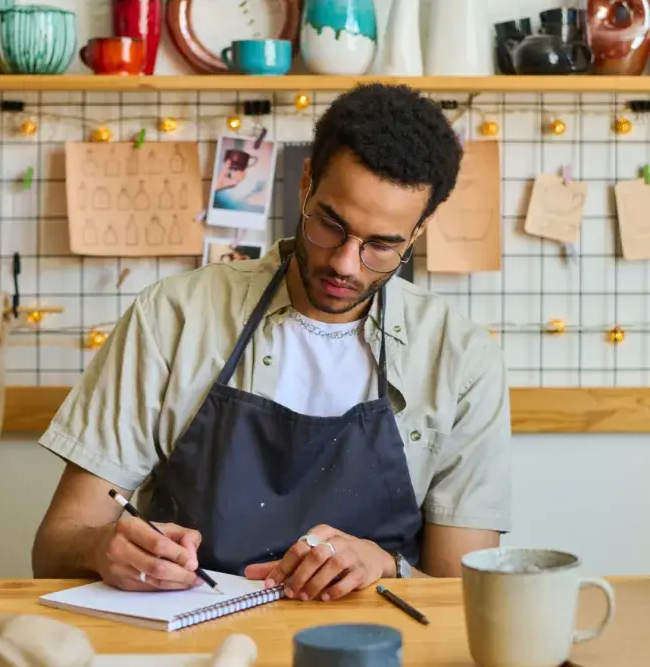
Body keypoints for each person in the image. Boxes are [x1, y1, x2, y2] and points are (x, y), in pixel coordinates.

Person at [31, 83, 511, 603]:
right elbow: (54, 547)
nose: (346, 264)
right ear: (306, 185)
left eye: (381, 245)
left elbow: (460, 596)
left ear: (416, 233)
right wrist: (101, 548)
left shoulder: (460, 359)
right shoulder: (172, 318)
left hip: (374, 647)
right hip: (193, 644)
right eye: (331, 225)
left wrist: (387, 566)